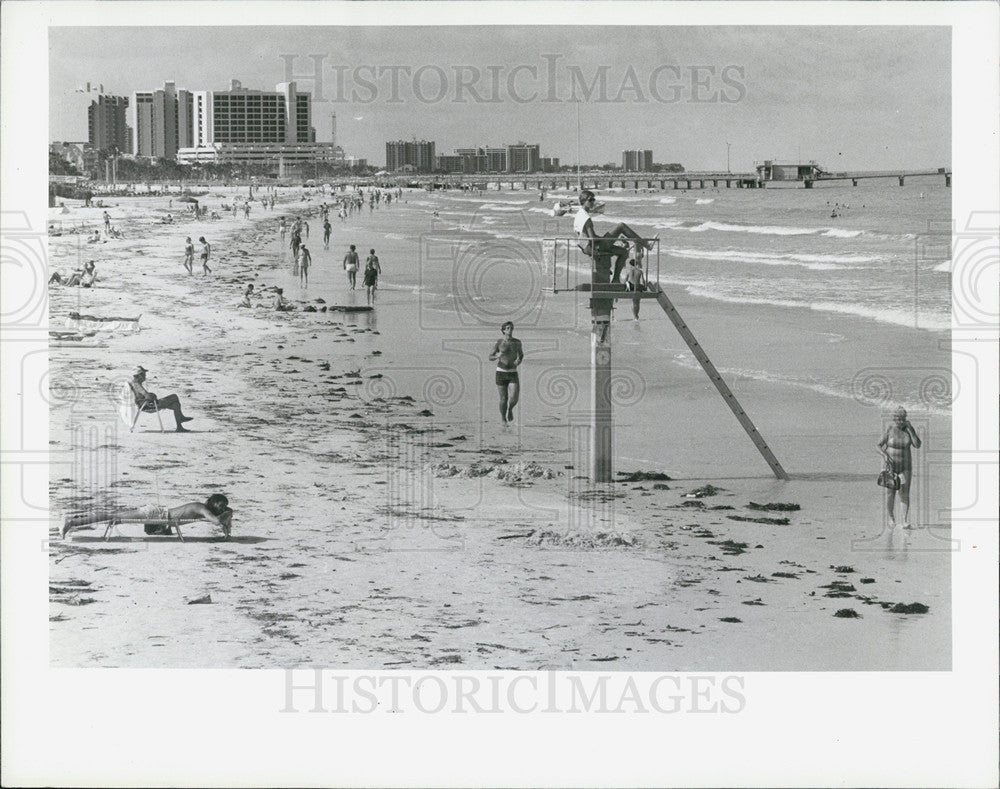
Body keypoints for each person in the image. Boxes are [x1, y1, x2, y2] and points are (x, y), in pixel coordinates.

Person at [61, 493, 233, 539]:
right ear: (213, 501)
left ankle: (75, 520)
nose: (222, 507)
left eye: (224, 506)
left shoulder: (205, 509)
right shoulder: (201, 508)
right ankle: (73, 521)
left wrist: (227, 532)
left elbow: (222, 521)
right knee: (110, 516)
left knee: (111, 515)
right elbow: (218, 521)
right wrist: (229, 513)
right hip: (156, 514)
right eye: (220, 504)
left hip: (159, 515)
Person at [574, 189, 654, 284]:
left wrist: (607, 239)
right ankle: (646, 244)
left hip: (588, 248)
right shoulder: (585, 217)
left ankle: (616, 279)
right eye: (590, 200)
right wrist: (608, 239)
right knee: (621, 226)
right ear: (583, 201)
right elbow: (592, 238)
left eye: (593, 200)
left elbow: (588, 237)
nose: (593, 202)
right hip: (594, 247)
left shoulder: (579, 214)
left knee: (623, 252)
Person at [878, 406, 922, 528]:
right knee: (890, 493)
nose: (901, 421)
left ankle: (905, 520)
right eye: (898, 419)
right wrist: (884, 455)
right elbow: (878, 445)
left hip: (906, 466)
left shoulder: (908, 430)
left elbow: (917, 445)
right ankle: (891, 518)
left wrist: (911, 430)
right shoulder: (889, 429)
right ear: (894, 419)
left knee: (904, 493)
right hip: (890, 467)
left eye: (903, 419)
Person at [128, 365, 194, 432]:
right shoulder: (136, 384)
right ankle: (181, 418)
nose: (145, 376)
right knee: (174, 396)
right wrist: (153, 395)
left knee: (175, 404)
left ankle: (179, 427)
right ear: (139, 375)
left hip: (145, 404)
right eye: (144, 374)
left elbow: (144, 395)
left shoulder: (135, 383)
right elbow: (148, 396)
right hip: (148, 405)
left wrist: (151, 395)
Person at [488, 321, 524, 426]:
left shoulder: (517, 342)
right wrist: (497, 356)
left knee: (514, 397)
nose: (510, 330)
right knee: (503, 398)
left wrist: (519, 360)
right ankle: (503, 419)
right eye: (508, 328)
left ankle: (510, 409)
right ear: (503, 330)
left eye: (511, 328)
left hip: (513, 373)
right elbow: (490, 357)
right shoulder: (499, 342)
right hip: (501, 373)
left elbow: (521, 354)